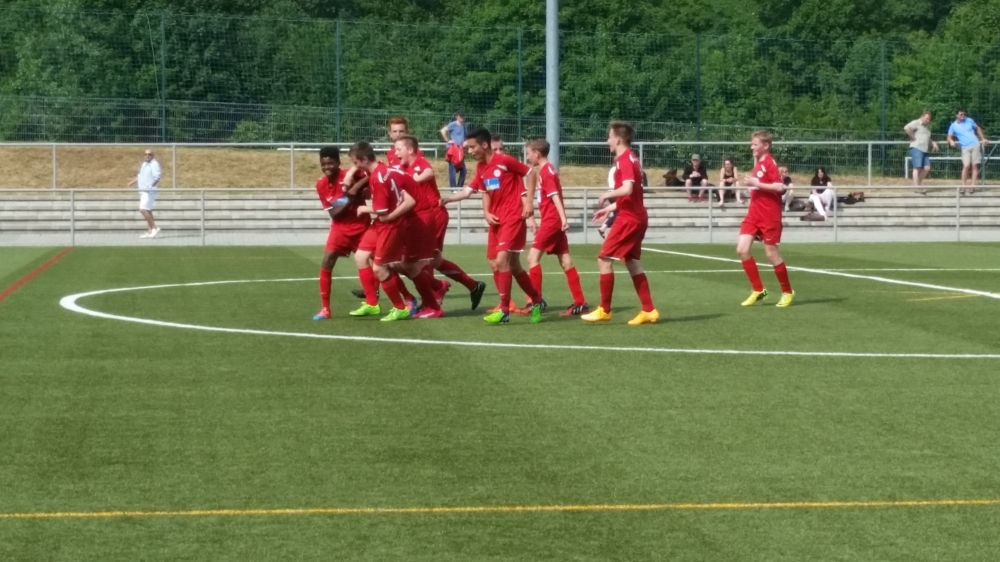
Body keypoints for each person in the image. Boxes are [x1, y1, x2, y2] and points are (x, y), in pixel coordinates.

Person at [440, 128, 543, 325]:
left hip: (512, 217)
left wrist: (529, 203)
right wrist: (451, 200)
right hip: (496, 221)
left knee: (502, 260)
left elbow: (531, 174)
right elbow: (477, 191)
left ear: (484, 144)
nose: (470, 151)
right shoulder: (481, 167)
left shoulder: (504, 160)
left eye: (472, 147)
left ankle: (504, 309)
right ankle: (537, 300)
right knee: (508, 265)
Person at [350, 141, 443, 322]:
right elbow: (402, 200)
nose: (354, 167)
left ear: (364, 159)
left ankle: (430, 303)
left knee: (406, 265)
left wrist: (366, 209)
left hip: (413, 218)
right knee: (362, 257)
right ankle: (373, 303)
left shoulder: (381, 176)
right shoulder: (381, 172)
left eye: (355, 162)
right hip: (394, 219)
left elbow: (397, 206)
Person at [394, 134, 487, 311]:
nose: (395, 152)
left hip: (433, 215)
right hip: (421, 217)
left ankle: (432, 297)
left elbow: (429, 172)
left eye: (398, 149)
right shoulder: (402, 168)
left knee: (423, 260)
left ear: (410, 150)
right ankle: (472, 286)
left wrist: (411, 181)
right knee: (433, 260)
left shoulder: (419, 162)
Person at [582, 121, 659, 325]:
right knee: (632, 262)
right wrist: (610, 208)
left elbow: (627, 189)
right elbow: (631, 196)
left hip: (629, 219)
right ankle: (649, 310)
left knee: (604, 259)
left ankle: (604, 310)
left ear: (617, 139)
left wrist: (606, 195)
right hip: (636, 216)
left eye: (609, 137)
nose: (607, 141)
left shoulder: (625, 159)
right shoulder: (631, 158)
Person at [524, 139, 590, 316]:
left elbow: (555, 197)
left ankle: (535, 302)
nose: (527, 157)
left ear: (537, 153)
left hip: (552, 221)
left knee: (532, 258)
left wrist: (563, 219)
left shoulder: (546, 172)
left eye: (529, 153)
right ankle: (580, 303)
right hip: (554, 220)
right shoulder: (548, 169)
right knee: (566, 261)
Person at [312, 146, 371, 321]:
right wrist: (351, 197)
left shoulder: (349, 175)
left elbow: (371, 174)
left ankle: (404, 300)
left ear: (338, 163)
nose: (327, 167)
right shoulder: (321, 184)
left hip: (361, 226)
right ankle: (325, 309)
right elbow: (334, 214)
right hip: (340, 228)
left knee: (381, 264)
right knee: (327, 260)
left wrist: (357, 186)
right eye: (324, 164)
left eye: (331, 163)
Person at [737, 130, 794, 308]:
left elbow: (779, 187)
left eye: (755, 144)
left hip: (769, 215)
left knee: (771, 254)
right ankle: (758, 290)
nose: (751, 147)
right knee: (742, 250)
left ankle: (787, 292)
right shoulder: (759, 164)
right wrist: (753, 188)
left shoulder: (769, 163)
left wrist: (756, 184)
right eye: (752, 144)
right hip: (754, 214)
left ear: (766, 145)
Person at [947, 109, 989, 194]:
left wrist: (983, 138)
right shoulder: (953, 126)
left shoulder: (969, 120)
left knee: (974, 166)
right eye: (961, 114)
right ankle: (963, 186)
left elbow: (977, 128)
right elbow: (949, 136)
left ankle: (972, 186)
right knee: (966, 165)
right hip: (965, 147)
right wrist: (951, 141)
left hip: (975, 144)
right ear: (957, 115)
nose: (963, 116)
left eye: (964, 114)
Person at [126, 149, 161, 238]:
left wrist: (150, 186)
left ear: (153, 155)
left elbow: (157, 177)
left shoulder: (154, 164)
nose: (147, 156)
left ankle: (154, 228)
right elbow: (140, 176)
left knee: (143, 209)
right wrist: (131, 182)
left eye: (149, 154)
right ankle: (150, 231)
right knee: (147, 210)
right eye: (146, 154)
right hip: (143, 190)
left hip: (149, 191)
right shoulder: (144, 164)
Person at [905, 111, 939, 193]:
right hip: (917, 147)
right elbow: (906, 128)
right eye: (927, 119)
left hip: (924, 149)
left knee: (927, 168)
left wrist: (933, 143)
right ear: (922, 116)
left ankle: (917, 184)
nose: (928, 120)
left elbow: (927, 137)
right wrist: (913, 137)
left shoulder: (927, 127)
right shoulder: (916, 123)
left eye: (929, 119)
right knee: (917, 168)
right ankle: (917, 187)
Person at [439, 112, 468, 189]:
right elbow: (443, 130)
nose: (462, 117)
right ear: (457, 117)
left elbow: (466, 137)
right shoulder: (453, 124)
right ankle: (453, 189)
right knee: (452, 170)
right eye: (460, 116)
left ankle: (459, 187)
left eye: (463, 115)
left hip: (460, 151)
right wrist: (448, 140)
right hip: (453, 150)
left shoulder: (464, 127)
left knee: (463, 170)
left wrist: (466, 142)